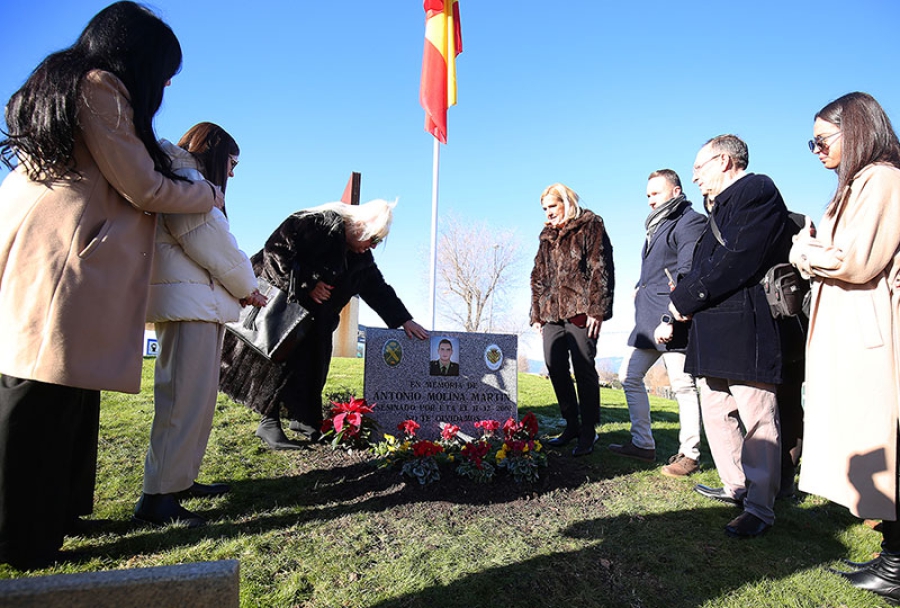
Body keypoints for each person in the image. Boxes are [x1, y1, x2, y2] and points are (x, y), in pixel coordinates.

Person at [0, 2, 224, 569]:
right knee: (41, 393)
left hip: (53, 245)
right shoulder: (100, 87)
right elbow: (144, 186)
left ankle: (56, 512)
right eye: (166, 69)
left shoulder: (64, 80)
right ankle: (23, 534)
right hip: (66, 256)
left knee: (63, 387)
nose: (168, 83)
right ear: (138, 57)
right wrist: (208, 193)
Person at [789, 92, 900, 602]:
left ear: (854, 129)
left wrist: (803, 248)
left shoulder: (881, 178)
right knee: (872, 441)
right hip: (854, 333)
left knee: (886, 443)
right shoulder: (858, 184)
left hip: (872, 335)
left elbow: (855, 259)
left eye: (821, 140)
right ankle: (892, 555)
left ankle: (896, 567)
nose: (815, 150)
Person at [135, 123, 266, 528]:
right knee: (181, 402)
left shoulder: (187, 179)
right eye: (231, 161)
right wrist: (249, 287)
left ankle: (179, 481)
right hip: (188, 307)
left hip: (199, 305)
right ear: (213, 150)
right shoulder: (186, 177)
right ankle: (156, 500)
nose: (231, 172)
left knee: (196, 402)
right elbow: (208, 240)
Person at [219, 199, 429, 450]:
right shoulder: (317, 224)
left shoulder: (362, 258)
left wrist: (403, 319)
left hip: (314, 321)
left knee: (312, 368)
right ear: (360, 226)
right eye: (372, 239)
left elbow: (378, 289)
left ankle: (305, 421)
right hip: (278, 311)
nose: (371, 247)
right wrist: (308, 283)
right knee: (274, 363)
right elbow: (275, 251)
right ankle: (269, 422)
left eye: (377, 243)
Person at [668, 135, 793, 539]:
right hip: (713, 327)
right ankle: (736, 487)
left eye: (700, 168)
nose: (695, 176)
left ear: (724, 160)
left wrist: (685, 297)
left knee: (757, 417)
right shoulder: (718, 206)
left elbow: (737, 257)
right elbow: (707, 263)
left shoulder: (756, 190)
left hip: (744, 325)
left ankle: (760, 507)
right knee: (718, 413)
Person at [608, 170, 705, 476]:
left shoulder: (689, 221)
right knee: (629, 377)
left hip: (672, 320)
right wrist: (640, 287)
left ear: (676, 191)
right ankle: (642, 444)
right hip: (646, 321)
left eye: (656, 193)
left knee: (683, 387)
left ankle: (689, 455)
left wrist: (670, 318)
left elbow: (686, 272)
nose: (650, 200)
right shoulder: (655, 225)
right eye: (648, 194)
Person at [530, 183, 615, 457]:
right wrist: (536, 314)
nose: (548, 212)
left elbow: (600, 267)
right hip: (550, 314)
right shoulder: (546, 235)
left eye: (552, 206)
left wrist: (597, 309)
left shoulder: (590, 224)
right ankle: (572, 425)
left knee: (583, 369)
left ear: (567, 202)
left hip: (582, 310)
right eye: (544, 208)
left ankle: (589, 431)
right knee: (554, 366)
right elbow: (537, 276)